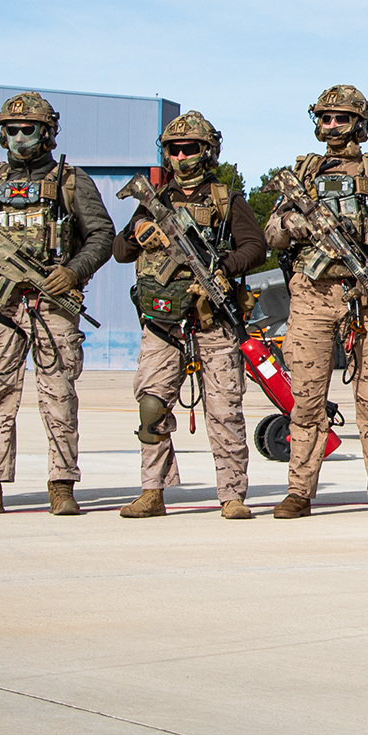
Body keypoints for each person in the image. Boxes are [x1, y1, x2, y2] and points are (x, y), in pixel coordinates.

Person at [0, 91, 115, 516]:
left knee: (58, 393)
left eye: (28, 128)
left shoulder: (71, 180)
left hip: (52, 303)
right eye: (11, 129)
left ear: (47, 132)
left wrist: (74, 271)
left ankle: (61, 483)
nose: (19, 135)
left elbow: (102, 235)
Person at [262, 85, 368, 519]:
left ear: (359, 123)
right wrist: (293, 222)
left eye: (340, 119)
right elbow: (271, 235)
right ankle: (299, 492)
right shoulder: (302, 176)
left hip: (364, 301)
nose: (332, 127)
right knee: (306, 402)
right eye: (325, 119)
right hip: (310, 298)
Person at [113, 111, 266, 519]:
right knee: (151, 406)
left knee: (224, 410)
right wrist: (136, 233)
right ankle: (153, 491)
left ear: (207, 151)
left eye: (190, 148)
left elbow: (256, 247)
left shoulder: (225, 199)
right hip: (163, 325)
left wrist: (224, 268)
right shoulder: (155, 200)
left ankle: (232, 495)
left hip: (211, 320)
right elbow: (119, 252)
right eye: (173, 149)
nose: (181, 156)